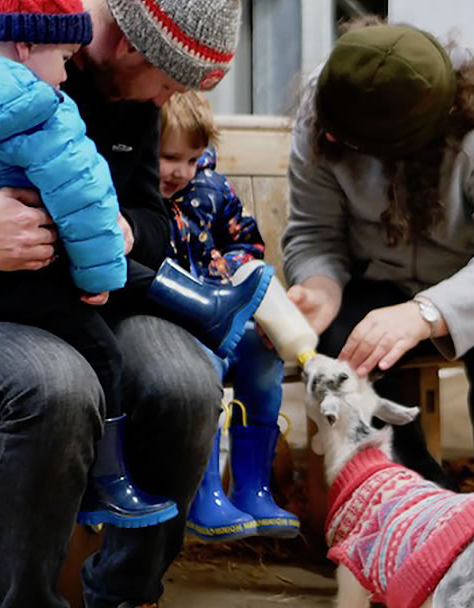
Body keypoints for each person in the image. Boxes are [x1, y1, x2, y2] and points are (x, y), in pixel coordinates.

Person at [0, 0, 245, 606]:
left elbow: (154, 223)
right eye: (169, 85)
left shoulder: (134, 94)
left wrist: (126, 231)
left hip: (83, 293)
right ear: (135, 47)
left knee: (186, 385)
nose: (167, 101)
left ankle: (126, 592)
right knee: (57, 388)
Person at [282, 19, 474, 502]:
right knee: (343, 339)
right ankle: (417, 507)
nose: (333, 147)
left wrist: (426, 313)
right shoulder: (335, 100)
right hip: (381, 281)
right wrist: (319, 286)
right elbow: (314, 233)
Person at [157, 92, 299, 542]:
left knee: (264, 354)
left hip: (225, 317)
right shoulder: (136, 193)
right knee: (205, 365)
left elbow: (245, 240)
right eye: (169, 157)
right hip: (176, 330)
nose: (180, 170)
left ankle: (253, 487)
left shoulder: (212, 189)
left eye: (193, 158)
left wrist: (234, 265)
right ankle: (204, 490)